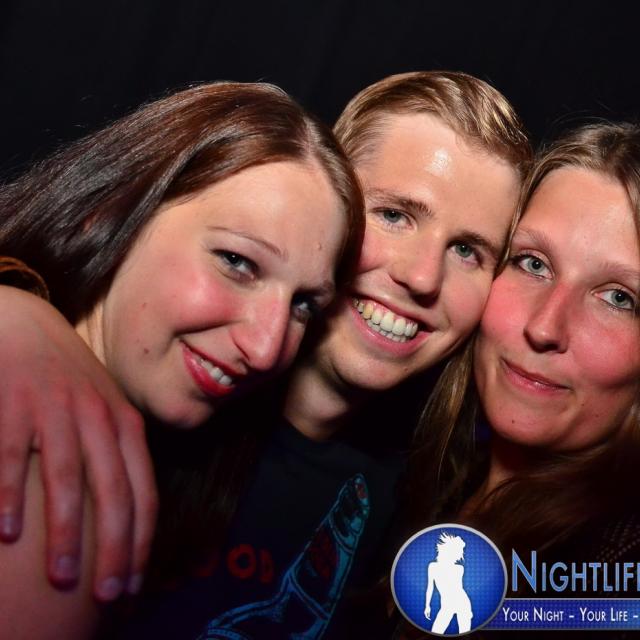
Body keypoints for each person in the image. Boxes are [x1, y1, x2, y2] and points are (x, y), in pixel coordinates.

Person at [0, 71, 532, 637]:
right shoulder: (150, 388)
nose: (422, 277)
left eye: (467, 250)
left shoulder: (430, 500)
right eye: (394, 215)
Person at [0, 80, 364, 638]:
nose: (266, 348)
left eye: (303, 305)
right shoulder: (50, 468)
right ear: (111, 212)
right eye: (237, 262)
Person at [403, 123, 640, 611]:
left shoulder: (615, 574)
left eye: (618, 298)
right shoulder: (413, 473)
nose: (545, 326)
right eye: (533, 263)